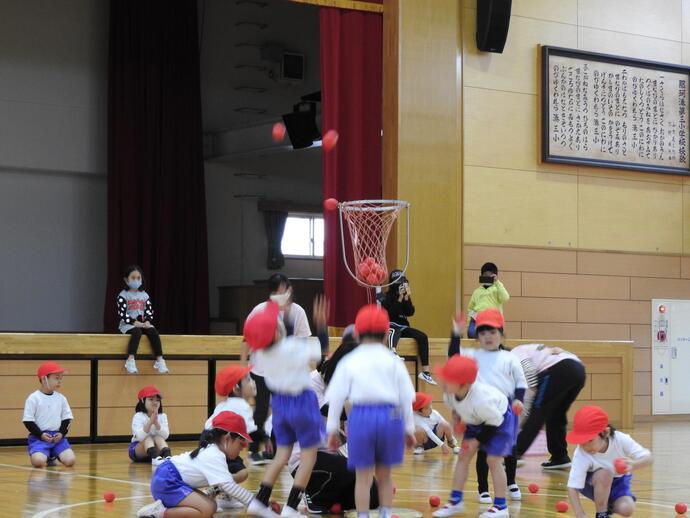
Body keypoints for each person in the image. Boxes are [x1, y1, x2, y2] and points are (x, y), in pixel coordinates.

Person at [326, 304, 416, 518]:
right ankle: (384, 515)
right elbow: (406, 397)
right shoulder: (394, 361)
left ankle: (363, 516)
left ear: (356, 333)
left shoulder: (349, 360)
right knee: (385, 476)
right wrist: (410, 428)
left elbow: (336, 397)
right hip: (390, 418)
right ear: (387, 334)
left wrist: (331, 429)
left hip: (361, 417)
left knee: (363, 478)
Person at [244, 296, 329, 518]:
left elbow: (284, 337)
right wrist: (321, 326)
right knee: (309, 456)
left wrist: (288, 321)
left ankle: (259, 501)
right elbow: (321, 353)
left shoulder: (261, 353)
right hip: (302, 402)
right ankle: (291, 508)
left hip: (280, 406)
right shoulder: (292, 347)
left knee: (281, 455)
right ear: (276, 331)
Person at [136, 411, 279, 518]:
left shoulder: (215, 452)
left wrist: (257, 503)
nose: (243, 448)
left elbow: (224, 484)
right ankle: (159, 513)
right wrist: (257, 504)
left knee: (211, 506)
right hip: (167, 481)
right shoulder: (214, 455)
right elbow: (228, 485)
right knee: (206, 510)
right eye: (241, 443)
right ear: (227, 438)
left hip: (169, 479)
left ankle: (163, 508)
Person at [449, 308, 527, 503]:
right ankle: (483, 488)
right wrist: (456, 334)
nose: (488, 337)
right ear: (477, 337)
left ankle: (511, 481)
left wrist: (518, 399)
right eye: (482, 333)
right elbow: (454, 358)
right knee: (483, 450)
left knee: (508, 449)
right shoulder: (473, 355)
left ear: (502, 334)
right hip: (480, 408)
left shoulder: (510, 358)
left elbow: (521, 382)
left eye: (493, 332)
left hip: (506, 409)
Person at [241, 273, 312, 465]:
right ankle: (254, 449)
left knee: (280, 412)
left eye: (285, 289)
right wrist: (243, 370)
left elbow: (303, 343)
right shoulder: (260, 310)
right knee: (261, 411)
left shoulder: (297, 312)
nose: (282, 293)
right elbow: (246, 341)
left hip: (284, 373)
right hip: (260, 370)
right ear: (272, 292)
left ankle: (273, 449)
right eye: (278, 290)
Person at [432, 355, 515, 518]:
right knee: (463, 456)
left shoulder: (481, 400)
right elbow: (456, 407)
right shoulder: (449, 393)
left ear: (464, 384)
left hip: (500, 419)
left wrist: (477, 441)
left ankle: (501, 506)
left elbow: (495, 421)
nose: (443, 382)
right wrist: (456, 420)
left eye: (448, 379)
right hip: (477, 419)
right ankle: (456, 501)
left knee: (493, 460)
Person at [566, 406, 652, 518]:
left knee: (627, 509)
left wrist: (634, 465)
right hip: (591, 484)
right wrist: (580, 514)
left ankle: (607, 504)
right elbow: (572, 487)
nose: (586, 446)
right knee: (605, 473)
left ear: (605, 433)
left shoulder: (621, 440)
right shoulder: (581, 453)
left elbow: (649, 458)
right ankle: (602, 514)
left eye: (590, 440)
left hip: (618, 482)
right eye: (582, 442)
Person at [511, 343, 586, 470]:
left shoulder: (514, 353)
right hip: (579, 371)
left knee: (539, 412)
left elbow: (530, 375)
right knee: (556, 414)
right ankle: (559, 456)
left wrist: (528, 412)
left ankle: (514, 454)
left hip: (558, 369)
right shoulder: (530, 350)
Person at [381, 270, 435, 385]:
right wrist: (399, 298)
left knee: (422, 336)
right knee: (393, 330)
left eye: (403, 282)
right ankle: (393, 351)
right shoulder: (386, 297)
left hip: (404, 327)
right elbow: (391, 313)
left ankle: (426, 372)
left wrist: (406, 298)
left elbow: (410, 312)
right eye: (398, 282)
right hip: (391, 324)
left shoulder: (405, 295)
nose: (401, 285)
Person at [22, 362, 76, 468]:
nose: (59, 381)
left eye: (61, 378)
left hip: (58, 439)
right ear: (43, 379)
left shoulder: (61, 398)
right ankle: (46, 455)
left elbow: (67, 419)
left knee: (70, 460)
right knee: (38, 462)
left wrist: (61, 433)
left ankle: (53, 454)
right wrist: (40, 435)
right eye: (56, 378)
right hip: (39, 438)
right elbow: (28, 421)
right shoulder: (33, 398)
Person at [117, 265, 169, 374]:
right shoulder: (123, 295)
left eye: (138, 278)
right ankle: (130, 359)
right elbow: (122, 314)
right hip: (129, 324)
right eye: (133, 278)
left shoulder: (144, 295)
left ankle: (159, 360)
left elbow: (149, 310)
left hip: (142, 323)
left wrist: (147, 321)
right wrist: (134, 322)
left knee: (153, 331)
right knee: (137, 332)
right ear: (126, 280)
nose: (136, 280)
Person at [466, 262, 510, 338]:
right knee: (471, 334)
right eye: (485, 275)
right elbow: (470, 308)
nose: (487, 276)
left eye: (490, 275)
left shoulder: (498, 288)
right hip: (478, 319)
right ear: (481, 276)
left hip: (494, 319)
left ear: (495, 276)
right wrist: (471, 320)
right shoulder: (477, 291)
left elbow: (505, 298)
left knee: (493, 337)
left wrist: (497, 282)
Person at [130, 385, 171, 463]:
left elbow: (166, 435)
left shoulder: (162, 416)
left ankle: (168, 456)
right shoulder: (138, 416)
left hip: (156, 448)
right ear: (142, 401)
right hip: (138, 449)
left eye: (157, 400)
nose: (155, 402)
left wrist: (156, 423)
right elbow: (139, 437)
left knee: (158, 437)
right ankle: (155, 458)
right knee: (148, 438)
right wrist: (150, 422)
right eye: (151, 399)